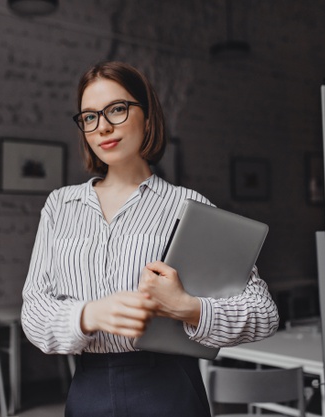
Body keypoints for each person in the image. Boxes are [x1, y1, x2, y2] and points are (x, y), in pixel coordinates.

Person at [21, 61, 279, 417]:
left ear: (148, 114)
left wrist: (188, 307)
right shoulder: (60, 206)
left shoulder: (189, 207)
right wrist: (90, 313)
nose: (103, 127)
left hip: (170, 390)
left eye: (117, 109)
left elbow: (263, 313)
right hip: (87, 392)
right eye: (89, 117)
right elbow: (34, 312)